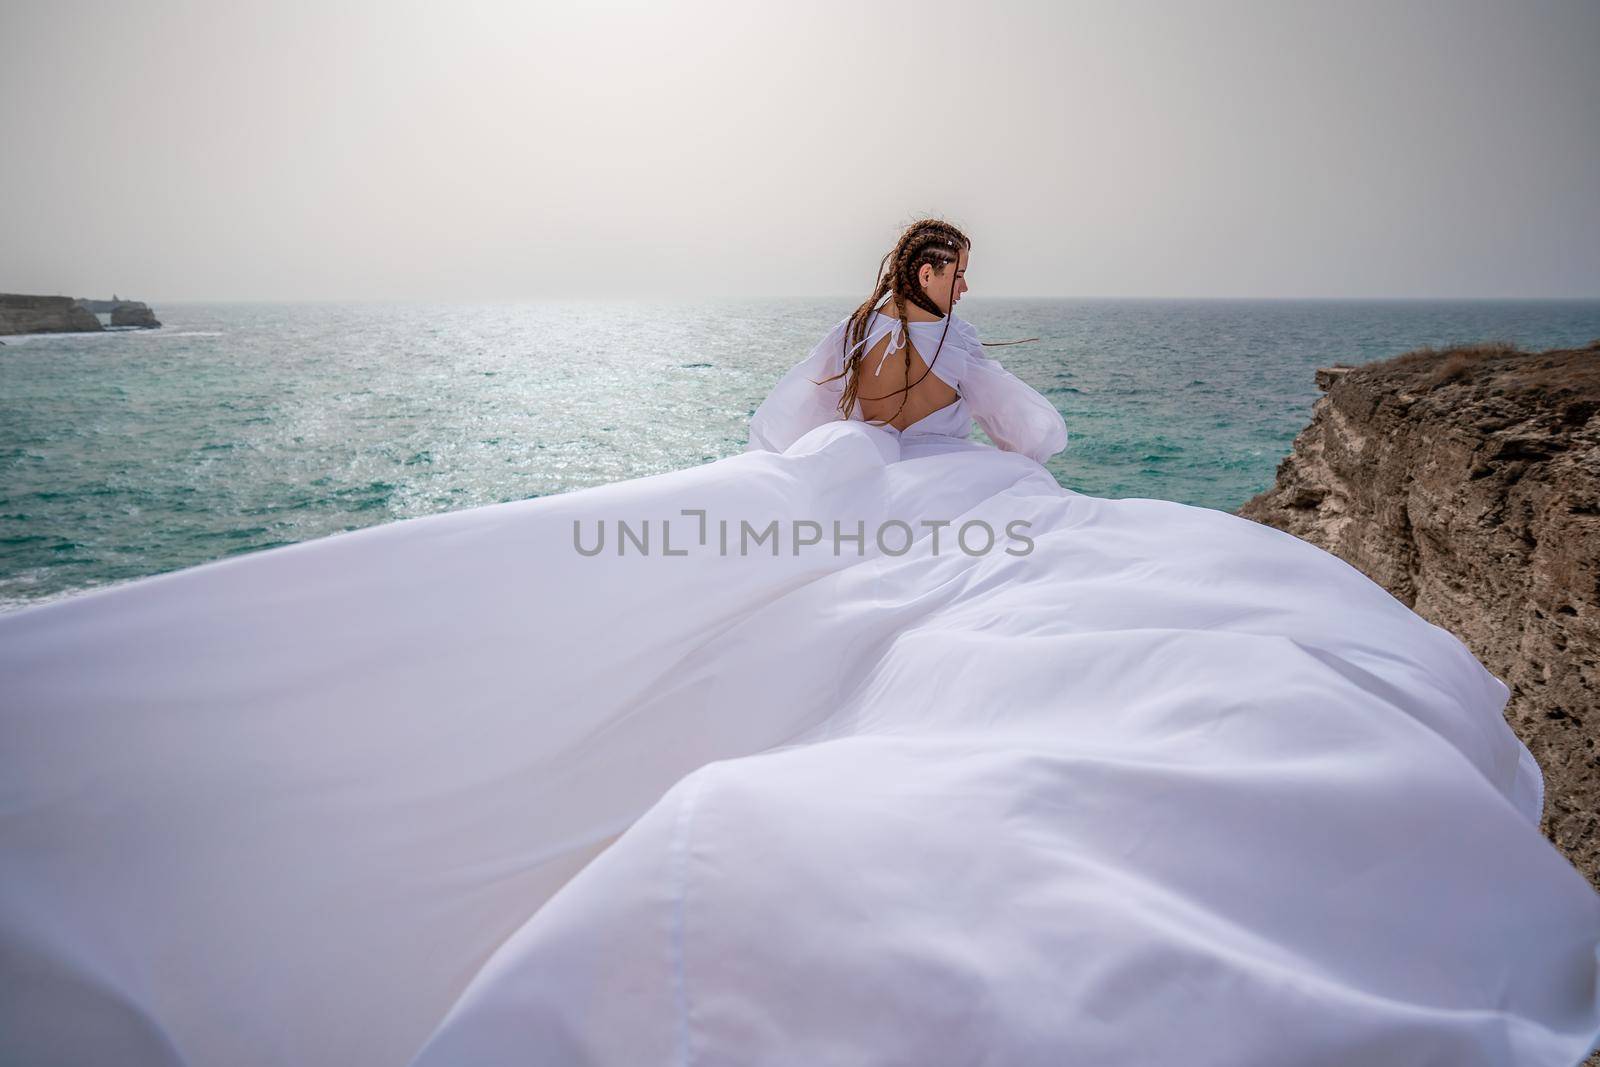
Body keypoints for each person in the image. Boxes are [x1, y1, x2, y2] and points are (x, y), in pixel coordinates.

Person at [2, 221, 1597, 1067]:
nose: (954, 287)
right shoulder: (952, 347)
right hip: (946, 498)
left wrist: (819, 451)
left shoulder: (850, 339)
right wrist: (1013, 441)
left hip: (838, 484)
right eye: (952, 268)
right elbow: (1026, 429)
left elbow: (784, 423)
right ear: (938, 272)